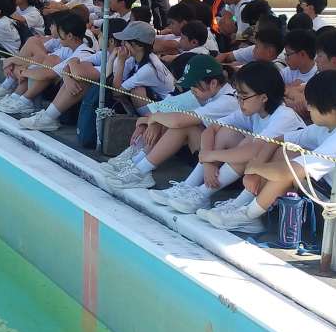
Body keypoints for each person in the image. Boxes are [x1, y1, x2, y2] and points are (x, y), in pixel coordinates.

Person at [202, 71, 336, 233]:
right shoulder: (323, 128)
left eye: (311, 104)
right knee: (282, 152)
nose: (307, 108)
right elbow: (278, 140)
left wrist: (255, 168)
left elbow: (288, 171)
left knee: (287, 167)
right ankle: (239, 207)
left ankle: (249, 216)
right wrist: (256, 167)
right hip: (324, 187)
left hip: (330, 200)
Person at [165, 61, 305, 215]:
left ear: (264, 97)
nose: (239, 101)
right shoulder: (253, 111)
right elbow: (211, 129)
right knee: (226, 132)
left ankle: (238, 207)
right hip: (257, 172)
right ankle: (191, 187)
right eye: (237, 95)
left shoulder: (284, 116)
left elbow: (254, 151)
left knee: (250, 145)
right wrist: (208, 163)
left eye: (243, 96)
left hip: (291, 181)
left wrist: (211, 155)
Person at [104, 56, 238, 190]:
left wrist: (154, 118)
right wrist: (153, 121)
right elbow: (168, 112)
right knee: (168, 121)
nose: (191, 89)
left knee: (183, 127)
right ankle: (135, 163)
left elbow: (178, 122)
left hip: (224, 167)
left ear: (213, 83)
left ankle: (141, 171)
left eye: (194, 85)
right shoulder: (210, 93)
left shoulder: (227, 101)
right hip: (211, 154)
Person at [18, 18, 128, 131]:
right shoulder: (104, 53)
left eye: (100, 35)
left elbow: (79, 73)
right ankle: (47, 115)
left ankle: (47, 116)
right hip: (91, 93)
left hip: (114, 101)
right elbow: (71, 64)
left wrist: (23, 72)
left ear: (111, 41)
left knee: (80, 80)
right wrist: (67, 77)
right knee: (73, 75)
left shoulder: (120, 60)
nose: (98, 37)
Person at [112, 21, 175, 115]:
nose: (122, 44)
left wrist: (121, 62)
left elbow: (116, 92)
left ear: (138, 46)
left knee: (137, 91)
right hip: (160, 101)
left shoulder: (148, 69)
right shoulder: (140, 57)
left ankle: (144, 119)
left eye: (125, 42)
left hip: (169, 109)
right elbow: (121, 80)